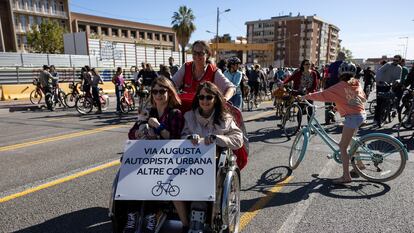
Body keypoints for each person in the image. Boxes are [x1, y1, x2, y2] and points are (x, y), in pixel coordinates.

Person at [181, 81, 243, 232]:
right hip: (191, 162)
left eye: (209, 97)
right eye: (201, 97)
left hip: (215, 164)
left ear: (215, 99)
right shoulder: (189, 117)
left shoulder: (225, 118)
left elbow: (238, 139)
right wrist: (190, 138)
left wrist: (218, 139)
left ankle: (198, 219)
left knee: (203, 181)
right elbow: (182, 136)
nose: (205, 101)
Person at [125, 76, 185, 233]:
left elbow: (175, 140)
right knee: (129, 170)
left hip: (167, 158)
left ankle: (151, 214)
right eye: (155, 91)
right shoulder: (147, 111)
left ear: (169, 93)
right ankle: (133, 214)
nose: (158, 95)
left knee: (153, 174)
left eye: (162, 91)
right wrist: (139, 132)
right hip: (147, 155)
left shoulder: (175, 113)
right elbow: (132, 132)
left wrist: (157, 127)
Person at [302, 62, 366, 184]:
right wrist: (339, 107)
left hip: (353, 117)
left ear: (340, 73)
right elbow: (360, 98)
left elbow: (322, 95)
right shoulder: (356, 83)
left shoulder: (339, 86)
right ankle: (360, 164)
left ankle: (346, 177)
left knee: (342, 146)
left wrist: (305, 97)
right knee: (352, 140)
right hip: (360, 114)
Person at [172, 40, 235, 109]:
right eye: (194, 53)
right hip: (185, 110)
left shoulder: (214, 71)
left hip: (205, 113)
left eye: (201, 53)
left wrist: (224, 99)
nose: (197, 56)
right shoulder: (186, 67)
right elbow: (171, 84)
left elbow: (231, 88)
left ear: (207, 55)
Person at [374, 54, 402, 127]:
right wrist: (378, 80)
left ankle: (387, 113)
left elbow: (398, 77)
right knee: (379, 103)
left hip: (389, 85)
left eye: (397, 60)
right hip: (380, 84)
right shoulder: (387, 65)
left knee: (388, 100)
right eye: (394, 59)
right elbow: (380, 71)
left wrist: (397, 81)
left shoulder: (399, 68)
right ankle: (376, 119)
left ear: (399, 61)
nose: (395, 61)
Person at [324, 51, 346, 124]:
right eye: (345, 56)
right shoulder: (344, 65)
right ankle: (333, 116)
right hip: (340, 88)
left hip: (329, 86)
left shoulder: (332, 65)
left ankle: (328, 118)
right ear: (343, 57)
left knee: (328, 103)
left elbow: (328, 76)